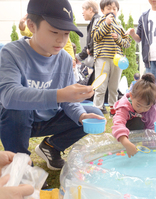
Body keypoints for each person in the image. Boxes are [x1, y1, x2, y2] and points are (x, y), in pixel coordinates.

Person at [0, 0, 105, 172]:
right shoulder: (11, 52)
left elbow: (69, 102)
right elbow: (9, 96)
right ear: (31, 26)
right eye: (54, 31)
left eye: (66, 33)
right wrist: (60, 95)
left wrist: (81, 116)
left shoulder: (64, 59)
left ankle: (51, 147)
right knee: (16, 108)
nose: (61, 40)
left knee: (93, 113)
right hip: (16, 120)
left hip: (48, 119)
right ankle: (20, 162)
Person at [112, 73, 156, 158]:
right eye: (138, 105)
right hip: (130, 128)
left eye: (147, 107)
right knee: (137, 121)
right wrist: (126, 142)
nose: (141, 109)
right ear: (131, 96)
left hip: (143, 125)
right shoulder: (124, 107)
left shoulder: (151, 108)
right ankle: (132, 143)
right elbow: (118, 123)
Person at [92, 0, 131, 117]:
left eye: (114, 9)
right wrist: (106, 24)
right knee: (100, 86)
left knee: (114, 86)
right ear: (102, 10)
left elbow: (127, 43)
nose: (112, 11)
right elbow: (95, 37)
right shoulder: (98, 22)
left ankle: (113, 110)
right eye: (109, 9)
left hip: (117, 59)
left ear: (117, 11)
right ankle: (97, 110)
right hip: (102, 57)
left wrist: (119, 38)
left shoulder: (119, 25)